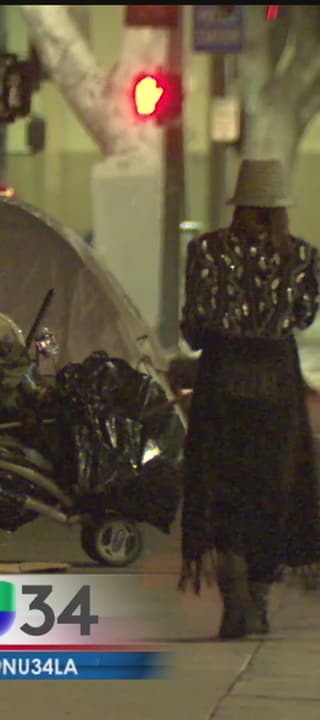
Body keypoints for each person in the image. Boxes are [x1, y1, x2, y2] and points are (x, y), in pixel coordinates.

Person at [179, 157, 320, 638]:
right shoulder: (301, 256)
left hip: (222, 378)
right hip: (276, 382)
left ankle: (233, 587)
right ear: (280, 207)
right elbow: (302, 316)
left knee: (220, 483)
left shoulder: (206, 250)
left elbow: (195, 327)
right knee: (273, 488)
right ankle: (257, 600)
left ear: (239, 203)